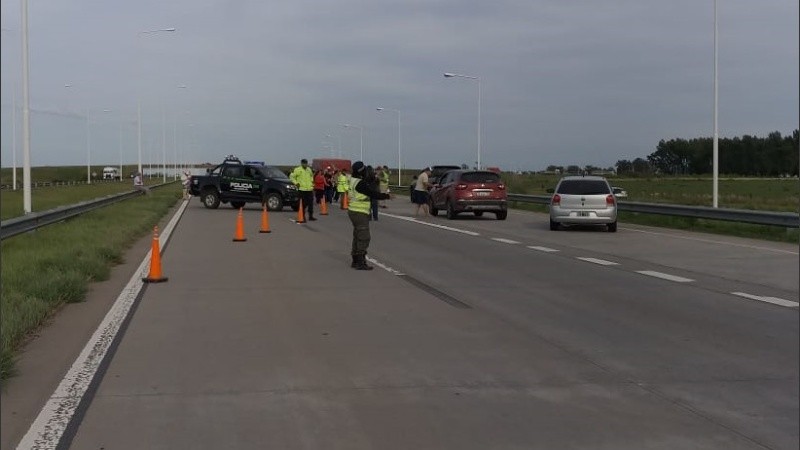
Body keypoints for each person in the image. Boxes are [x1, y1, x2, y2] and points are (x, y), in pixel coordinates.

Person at [347, 161, 391, 270]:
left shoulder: (353, 180)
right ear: (361, 171)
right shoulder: (360, 183)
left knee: (357, 235)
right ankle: (360, 261)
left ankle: (355, 259)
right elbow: (372, 194)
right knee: (364, 236)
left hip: (354, 210)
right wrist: (387, 196)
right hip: (359, 212)